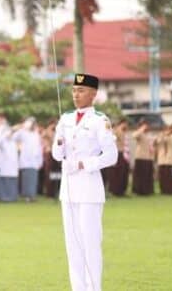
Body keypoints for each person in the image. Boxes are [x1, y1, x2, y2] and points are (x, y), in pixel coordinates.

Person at [52, 73, 118, 291]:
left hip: (89, 187)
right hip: (68, 189)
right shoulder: (66, 119)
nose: (75, 95)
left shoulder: (100, 120)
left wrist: (83, 164)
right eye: (73, 90)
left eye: (81, 91)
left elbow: (111, 156)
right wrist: (60, 145)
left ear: (93, 94)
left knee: (90, 244)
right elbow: (55, 153)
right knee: (73, 245)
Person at [14, 118, 43, 202]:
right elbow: (15, 137)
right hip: (25, 161)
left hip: (34, 161)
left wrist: (40, 160)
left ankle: (32, 196)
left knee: (33, 180)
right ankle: (27, 197)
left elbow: (39, 148)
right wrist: (22, 128)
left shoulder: (36, 134)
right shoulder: (23, 133)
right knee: (26, 180)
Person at [156, 125, 172, 195]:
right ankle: (168, 191)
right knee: (169, 177)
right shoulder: (167, 137)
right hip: (169, 160)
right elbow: (159, 141)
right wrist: (166, 134)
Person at [131, 121, 155, 195]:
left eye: (147, 126)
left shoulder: (149, 135)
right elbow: (134, 136)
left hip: (149, 158)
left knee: (147, 175)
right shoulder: (139, 133)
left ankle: (147, 190)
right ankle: (138, 190)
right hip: (140, 157)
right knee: (140, 175)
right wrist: (141, 129)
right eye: (145, 126)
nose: (147, 127)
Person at [108, 120, 130, 196]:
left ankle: (122, 190)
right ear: (122, 123)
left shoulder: (124, 132)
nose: (126, 126)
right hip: (117, 153)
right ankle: (115, 191)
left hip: (124, 154)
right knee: (116, 173)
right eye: (125, 124)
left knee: (123, 173)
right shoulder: (116, 131)